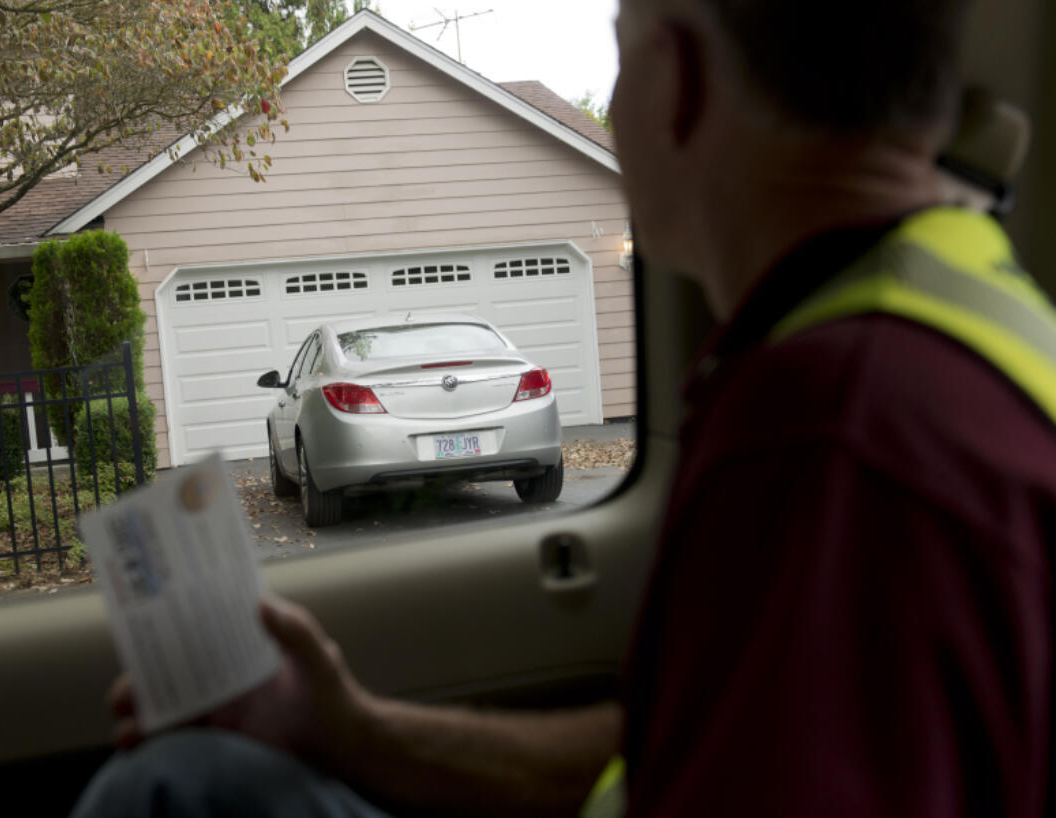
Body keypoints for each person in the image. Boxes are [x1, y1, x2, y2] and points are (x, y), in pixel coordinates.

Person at [73, 0, 1056, 815]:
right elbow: (676, 748)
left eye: (621, 65)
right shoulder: (957, 305)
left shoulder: (830, 427)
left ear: (677, 80)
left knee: (165, 790)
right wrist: (342, 724)